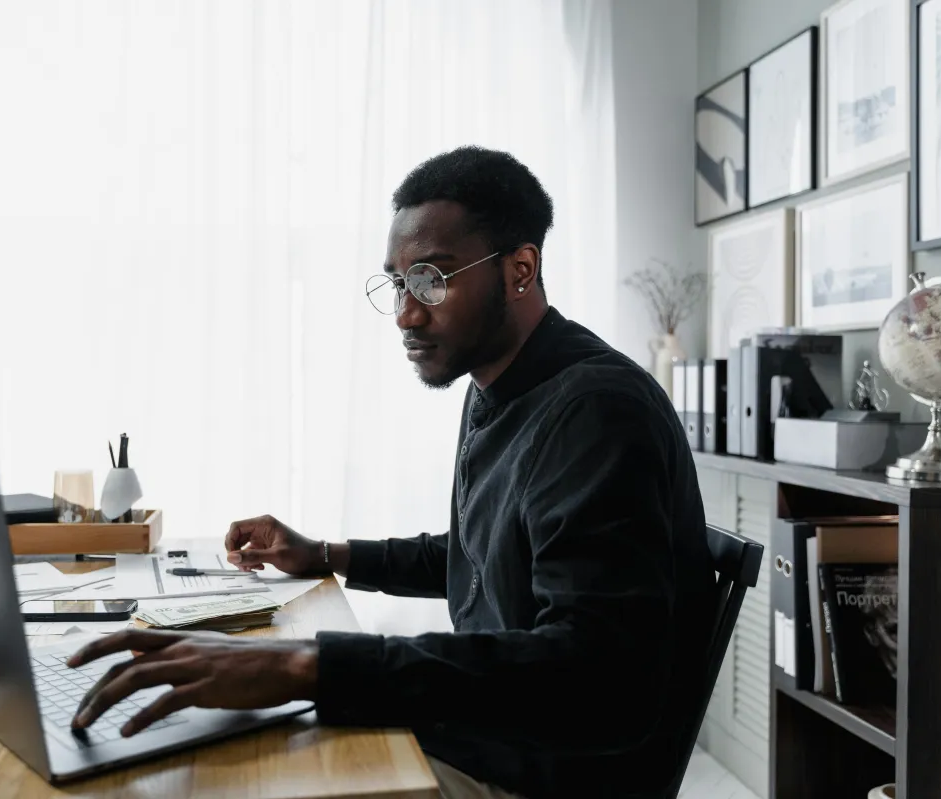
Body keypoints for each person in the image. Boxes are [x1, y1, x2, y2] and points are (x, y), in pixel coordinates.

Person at [67, 146, 717, 799]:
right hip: (492, 736)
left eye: (433, 278)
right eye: (399, 282)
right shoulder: (500, 383)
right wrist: (322, 553)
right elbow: (480, 555)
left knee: (223, 777)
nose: (407, 312)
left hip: (541, 773)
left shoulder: (594, 411)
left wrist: (305, 664)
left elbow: (597, 679)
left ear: (521, 269)